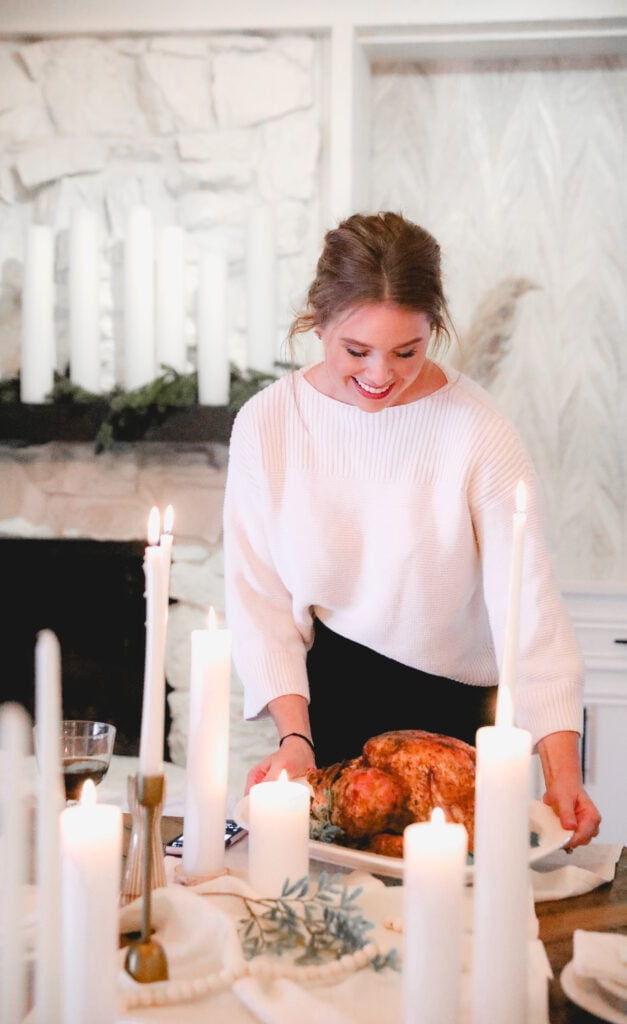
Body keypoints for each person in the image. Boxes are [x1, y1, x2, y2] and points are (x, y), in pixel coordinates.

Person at [223, 211, 601, 848]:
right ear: (319, 322)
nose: (379, 375)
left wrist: (562, 773)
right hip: (331, 714)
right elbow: (259, 601)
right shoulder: (268, 424)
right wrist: (294, 738)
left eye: (407, 351)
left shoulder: (477, 430)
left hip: (461, 723)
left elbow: (530, 614)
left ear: (434, 330)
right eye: (356, 350)